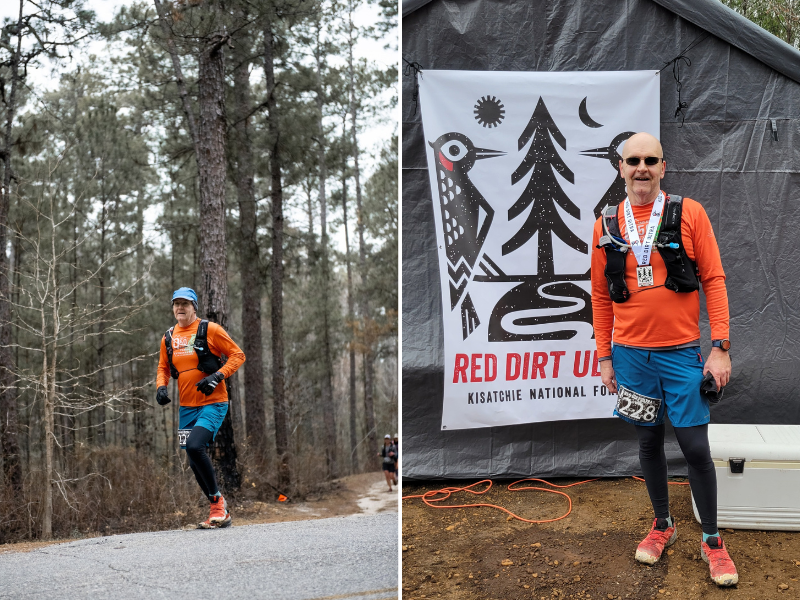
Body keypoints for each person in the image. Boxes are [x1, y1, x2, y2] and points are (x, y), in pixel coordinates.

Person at [590, 133, 736, 587]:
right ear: (620, 168)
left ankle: (712, 540)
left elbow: (713, 278)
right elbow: (599, 295)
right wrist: (605, 357)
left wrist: (720, 347)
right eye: (633, 161)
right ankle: (663, 525)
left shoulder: (688, 213)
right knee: (649, 444)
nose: (642, 168)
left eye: (650, 160)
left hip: (680, 357)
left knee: (695, 449)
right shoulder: (607, 223)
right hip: (631, 359)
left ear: (663, 166)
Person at [156, 287, 246, 529]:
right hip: (186, 408)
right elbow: (164, 368)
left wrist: (217, 376)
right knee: (193, 456)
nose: (180, 308)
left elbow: (238, 355)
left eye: (185, 304)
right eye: (177, 304)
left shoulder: (210, 330)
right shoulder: (168, 337)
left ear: (194, 306)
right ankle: (218, 509)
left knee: (196, 446)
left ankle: (218, 505)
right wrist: (161, 387)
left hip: (213, 403)